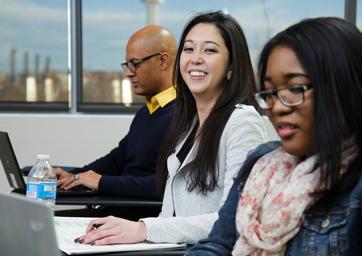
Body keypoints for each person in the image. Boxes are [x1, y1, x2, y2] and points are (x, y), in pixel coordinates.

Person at [74, 11, 267, 245]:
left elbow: (234, 218)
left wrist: (144, 229)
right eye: (189, 49)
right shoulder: (188, 124)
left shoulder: (243, 122)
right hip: (171, 247)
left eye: (210, 50)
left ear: (231, 67)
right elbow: (170, 212)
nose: (196, 58)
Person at [187, 17, 362, 255]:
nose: (277, 107)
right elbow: (218, 245)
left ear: (343, 86)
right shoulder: (261, 162)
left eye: (295, 88)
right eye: (270, 93)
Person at [54, 25, 177, 200]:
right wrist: (74, 175)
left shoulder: (185, 116)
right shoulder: (147, 112)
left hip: (139, 216)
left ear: (163, 60)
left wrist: (101, 182)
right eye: (127, 65)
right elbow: (117, 159)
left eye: (135, 64)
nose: (128, 73)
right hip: (119, 206)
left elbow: (168, 184)